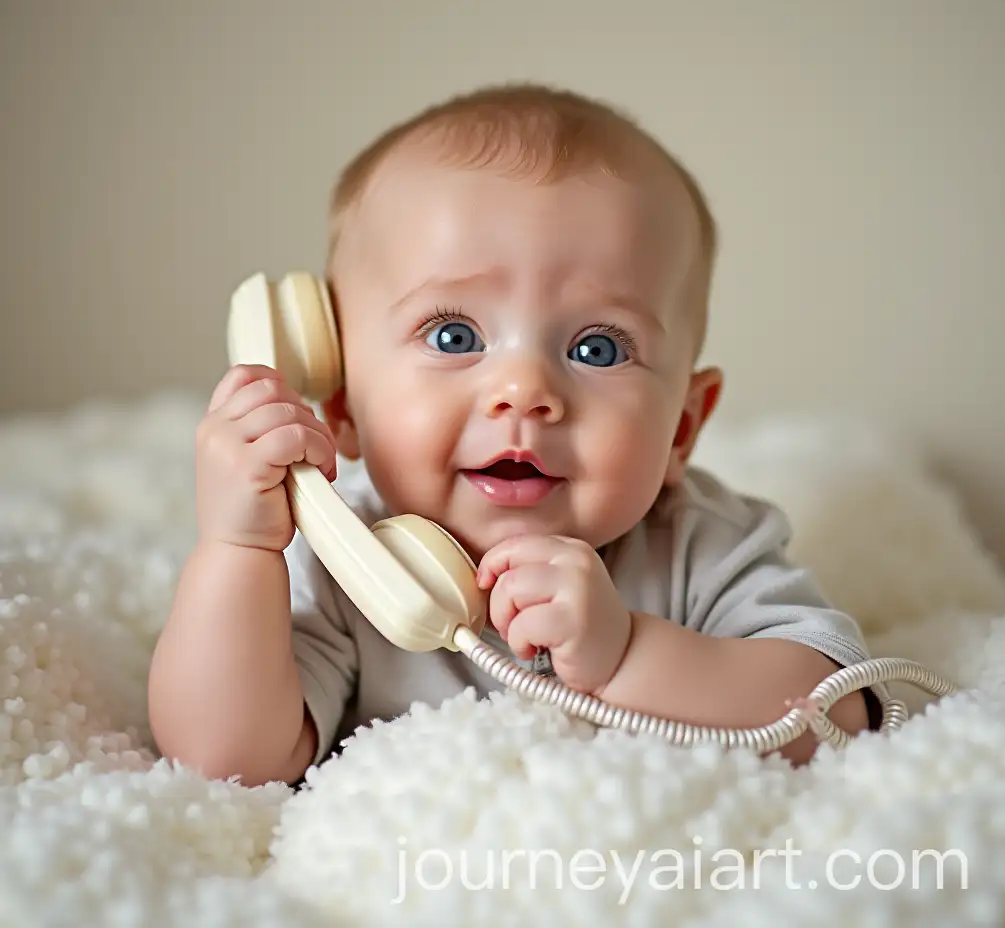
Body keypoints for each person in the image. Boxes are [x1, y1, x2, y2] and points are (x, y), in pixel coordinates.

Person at [148, 84, 882, 788]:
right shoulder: (345, 555)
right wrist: (235, 551)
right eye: (454, 333)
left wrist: (626, 654)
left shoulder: (700, 544)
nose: (525, 391)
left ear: (682, 427)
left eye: (597, 348)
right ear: (340, 406)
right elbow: (225, 763)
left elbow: (838, 713)